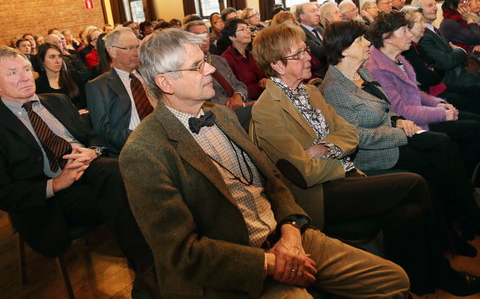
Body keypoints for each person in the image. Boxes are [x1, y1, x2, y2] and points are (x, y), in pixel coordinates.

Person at [119, 27, 411, 299]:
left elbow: (272, 180)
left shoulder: (220, 115)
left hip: (285, 235)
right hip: (237, 266)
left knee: (394, 279)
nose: (210, 69)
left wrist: (292, 230)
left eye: (205, 60)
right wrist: (270, 262)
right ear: (165, 82)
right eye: (197, 66)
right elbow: (182, 253)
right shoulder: (144, 151)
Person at [250, 22, 480, 296]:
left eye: (304, 50)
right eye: (298, 55)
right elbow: (304, 171)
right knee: (415, 182)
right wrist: (339, 153)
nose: (308, 58)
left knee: (409, 212)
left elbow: (348, 133)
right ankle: (445, 268)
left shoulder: (310, 92)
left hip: (345, 174)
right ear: (277, 65)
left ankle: (420, 281)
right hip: (319, 194)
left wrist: (327, 147)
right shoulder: (266, 109)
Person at [0, 47, 157, 299]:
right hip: (51, 194)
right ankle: (154, 268)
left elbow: (93, 134)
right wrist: (57, 184)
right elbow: (4, 192)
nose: (24, 77)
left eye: (26, 69)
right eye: (12, 73)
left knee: (114, 175)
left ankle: (150, 274)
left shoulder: (57, 101)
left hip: (91, 168)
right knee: (126, 184)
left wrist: (93, 151)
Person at [319, 20, 480, 241]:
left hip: (394, 134)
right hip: (376, 154)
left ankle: (462, 220)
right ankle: (458, 225)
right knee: (438, 160)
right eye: (360, 40)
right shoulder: (333, 89)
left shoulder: (362, 71)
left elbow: (387, 106)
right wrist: (400, 130)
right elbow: (357, 137)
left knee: (442, 149)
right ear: (345, 50)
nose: (367, 43)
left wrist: (397, 120)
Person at [365, 11, 480, 183]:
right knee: (474, 129)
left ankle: (465, 175)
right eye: (404, 31)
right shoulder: (377, 67)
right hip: (413, 124)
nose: (410, 34)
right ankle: (464, 179)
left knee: (474, 122)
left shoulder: (398, 57)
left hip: (422, 114)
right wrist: (441, 114)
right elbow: (401, 110)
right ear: (387, 37)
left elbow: (415, 92)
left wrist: (440, 104)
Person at [86, 27, 154, 157]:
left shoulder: (149, 74)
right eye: (129, 48)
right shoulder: (98, 86)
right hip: (131, 148)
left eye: (138, 47)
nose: (136, 53)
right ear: (112, 51)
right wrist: (143, 138)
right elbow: (103, 131)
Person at [401, 7, 480, 114]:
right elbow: (431, 75)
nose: (424, 26)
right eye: (420, 21)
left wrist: (433, 71)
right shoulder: (409, 50)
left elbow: (437, 69)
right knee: (472, 106)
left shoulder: (418, 46)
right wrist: (433, 71)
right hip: (434, 93)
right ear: (408, 27)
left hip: (441, 86)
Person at [410, 0, 480, 91]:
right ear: (418, 11)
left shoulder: (434, 29)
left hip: (457, 73)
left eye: (435, 4)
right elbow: (446, 62)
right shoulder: (422, 35)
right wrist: (460, 50)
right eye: (430, 5)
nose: (435, 8)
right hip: (448, 80)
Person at [221, 19, 267, 100]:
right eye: (242, 29)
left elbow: (262, 76)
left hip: (262, 97)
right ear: (232, 37)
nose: (248, 31)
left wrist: (264, 80)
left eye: (248, 28)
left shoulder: (251, 54)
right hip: (246, 101)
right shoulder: (226, 59)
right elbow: (233, 90)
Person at [36, 43, 87, 110]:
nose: (58, 61)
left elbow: (85, 101)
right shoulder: (38, 85)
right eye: (52, 57)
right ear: (42, 61)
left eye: (59, 56)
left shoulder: (73, 75)